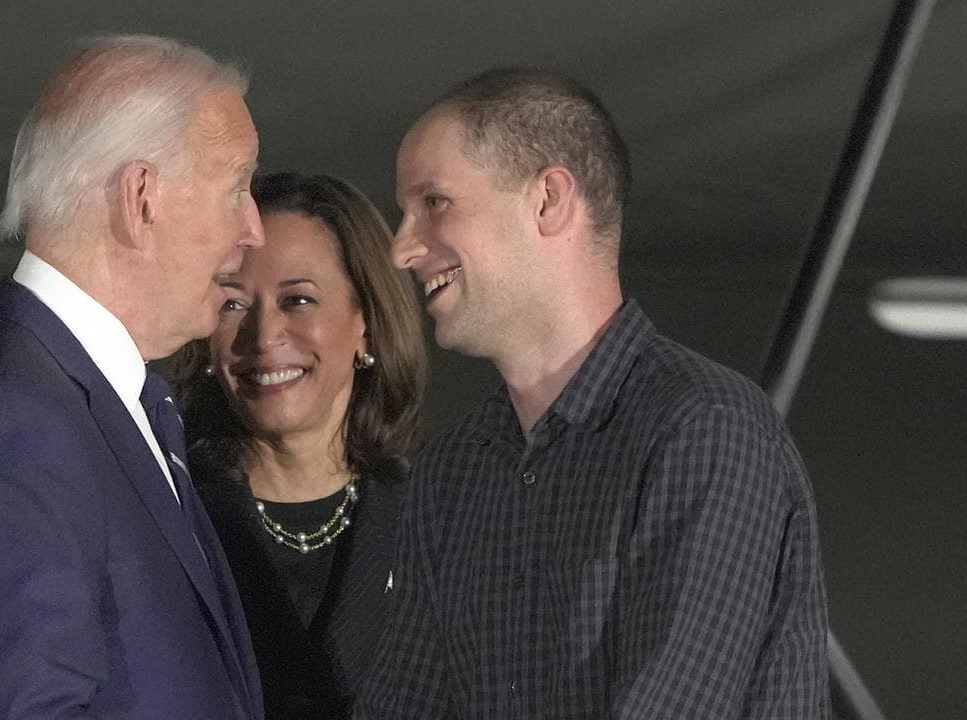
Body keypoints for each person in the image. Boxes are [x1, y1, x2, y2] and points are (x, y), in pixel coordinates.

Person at [355, 68, 829, 719]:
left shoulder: (705, 430)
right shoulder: (454, 474)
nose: (402, 249)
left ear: (549, 200)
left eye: (435, 202)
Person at [0, 35, 266, 720]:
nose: (253, 228)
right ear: (141, 199)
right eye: (236, 188)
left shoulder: (74, 400)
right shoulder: (16, 426)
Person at [174, 171, 426, 720]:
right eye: (233, 304)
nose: (264, 337)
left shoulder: (443, 522)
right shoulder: (168, 515)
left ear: (366, 323)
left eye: (298, 300)